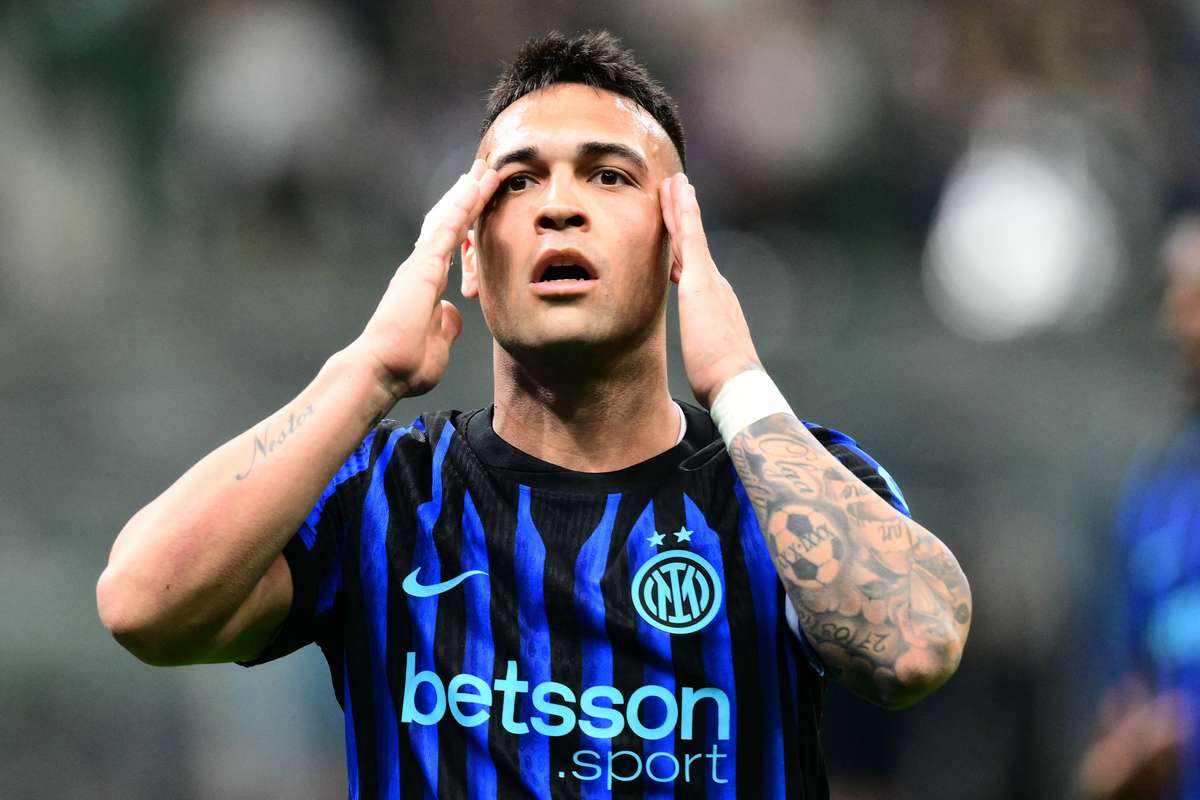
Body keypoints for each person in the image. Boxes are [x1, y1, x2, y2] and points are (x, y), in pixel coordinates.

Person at [96, 30, 972, 798]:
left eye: (609, 175)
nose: (558, 204)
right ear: (471, 257)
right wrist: (366, 372)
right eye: (517, 182)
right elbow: (144, 604)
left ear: (678, 244)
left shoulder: (785, 486)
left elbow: (915, 649)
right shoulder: (381, 496)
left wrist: (737, 381)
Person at [1076, 215, 1200, 800]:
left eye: (1194, 299)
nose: (1177, 321)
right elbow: (1127, 687)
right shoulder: (1156, 494)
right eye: (1175, 298)